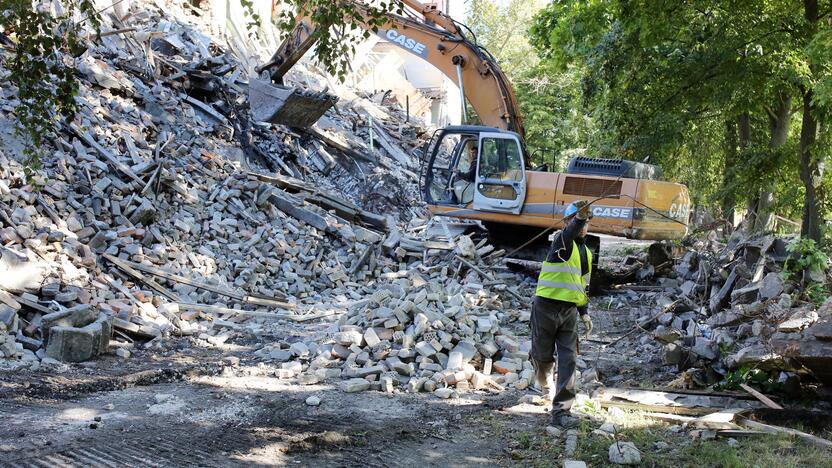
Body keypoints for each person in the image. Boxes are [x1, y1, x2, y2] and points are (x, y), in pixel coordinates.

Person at [530, 200, 594, 428]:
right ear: (567, 222)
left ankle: (562, 412)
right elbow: (571, 231)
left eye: (587, 221)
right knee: (542, 355)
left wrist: (584, 313)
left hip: (568, 312)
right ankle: (543, 379)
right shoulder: (560, 241)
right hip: (545, 308)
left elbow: (582, 286)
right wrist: (579, 218)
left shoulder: (586, 253)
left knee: (569, 359)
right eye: (578, 221)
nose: (584, 226)